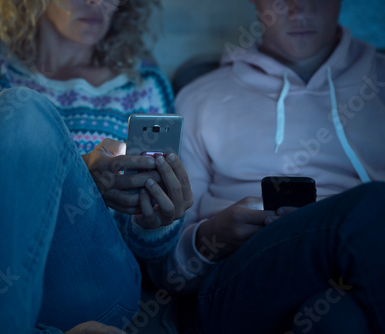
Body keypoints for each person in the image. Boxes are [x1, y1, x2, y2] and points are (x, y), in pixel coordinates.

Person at [0, 0, 193, 333]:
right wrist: (71, 172)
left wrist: (157, 222)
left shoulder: (143, 82)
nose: (96, 3)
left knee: (21, 108)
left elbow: (149, 251)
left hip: (84, 274)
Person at [150, 0, 385, 333]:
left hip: (353, 280)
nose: (300, 9)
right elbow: (166, 266)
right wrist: (214, 236)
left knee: (340, 321)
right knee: (373, 204)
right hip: (239, 281)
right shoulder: (199, 97)